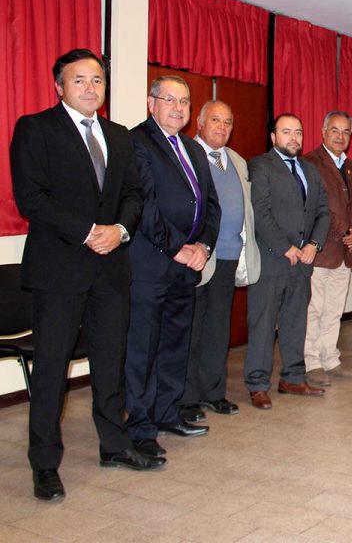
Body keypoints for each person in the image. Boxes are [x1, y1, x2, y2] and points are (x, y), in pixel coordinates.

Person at [10, 49, 164, 502]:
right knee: (52, 369)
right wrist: (87, 232)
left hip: (111, 269)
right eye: (79, 81)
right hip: (59, 269)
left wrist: (118, 230)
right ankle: (44, 463)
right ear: (58, 85)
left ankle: (114, 445)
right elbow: (30, 198)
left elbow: (134, 195)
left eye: (97, 80)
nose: (90, 88)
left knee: (110, 362)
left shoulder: (118, 136)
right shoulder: (36, 128)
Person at [127, 76, 221, 458]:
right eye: (170, 100)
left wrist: (204, 245)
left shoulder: (192, 149)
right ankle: (140, 426)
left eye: (185, 101)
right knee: (144, 349)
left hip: (186, 266)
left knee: (175, 346)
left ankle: (168, 413)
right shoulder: (137, 142)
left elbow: (211, 205)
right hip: (151, 265)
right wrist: (177, 247)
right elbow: (144, 205)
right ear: (152, 104)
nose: (179, 108)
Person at [179, 101, 260, 422]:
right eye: (215, 120)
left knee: (217, 330)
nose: (222, 127)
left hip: (228, 257)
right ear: (198, 122)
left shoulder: (237, 161)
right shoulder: (187, 156)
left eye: (228, 122)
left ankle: (214, 393)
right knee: (191, 331)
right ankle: (186, 399)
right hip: (198, 258)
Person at [244, 114, 331, 409]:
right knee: (263, 324)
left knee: (296, 323)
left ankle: (293, 377)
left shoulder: (310, 169)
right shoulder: (260, 165)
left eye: (298, 132)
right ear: (273, 137)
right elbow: (261, 211)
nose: (294, 138)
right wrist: (287, 248)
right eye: (286, 132)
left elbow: (323, 211)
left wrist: (313, 246)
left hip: (303, 261)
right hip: (272, 260)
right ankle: (257, 384)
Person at [301, 111, 352, 388]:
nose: (340, 136)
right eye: (335, 131)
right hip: (321, 249)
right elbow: (318, 206)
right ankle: (311, 362)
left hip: (345, 251)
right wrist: (345, 231)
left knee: (333, 309)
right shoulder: (310, 163)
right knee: (314, 309)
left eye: (346, 132)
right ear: (323, 131)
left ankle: (331, 359)